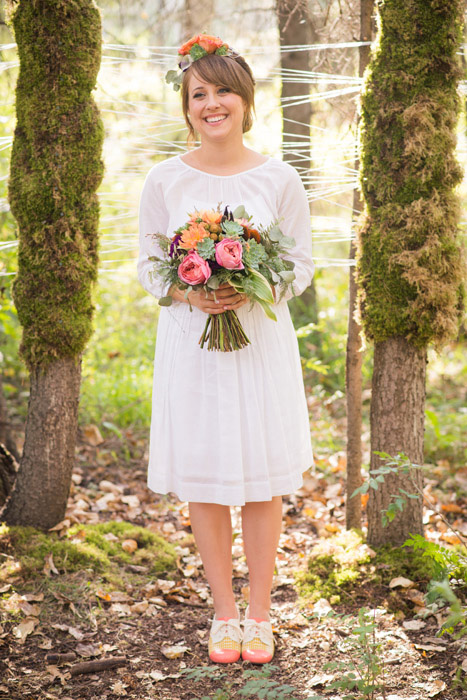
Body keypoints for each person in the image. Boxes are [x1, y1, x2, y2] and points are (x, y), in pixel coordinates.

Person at [138, 33, 314, 664]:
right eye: (198, 94)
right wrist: (192, 296)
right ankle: (222, 615)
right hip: (192, 346)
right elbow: (148, 263)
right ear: (186, 106)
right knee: (207, 478)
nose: (211, 104)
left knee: (264, 477)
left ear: (246, 99)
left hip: (259, 339)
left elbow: (299, 265)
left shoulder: (280, 176)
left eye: (222, 92)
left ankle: (261, 615)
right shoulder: (164, 178)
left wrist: (249, 285)